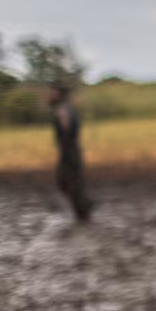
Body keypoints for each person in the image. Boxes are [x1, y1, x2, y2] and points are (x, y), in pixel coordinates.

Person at [49, 84, 93, 221]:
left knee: (69, 181)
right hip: (67, 149)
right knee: (67, 181)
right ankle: (83, 207)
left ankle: (83, 209)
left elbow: (69, 129)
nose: (50, 95)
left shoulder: (64, 109)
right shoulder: (63, 108)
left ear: (60, 95)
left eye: (53, 93)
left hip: (70, 150)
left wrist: (63, 120)